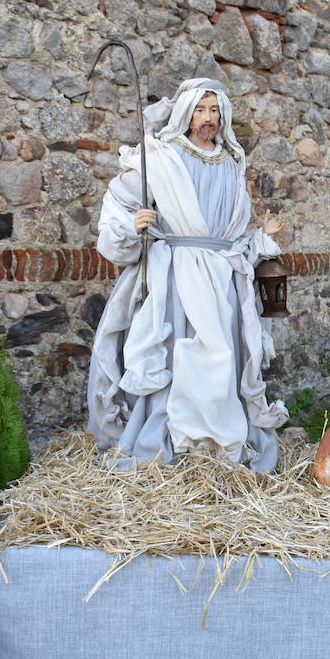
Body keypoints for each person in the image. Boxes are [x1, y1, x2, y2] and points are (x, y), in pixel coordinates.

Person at [87, 78, 288, 472]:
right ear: (186, 113)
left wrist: (261, 239)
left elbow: (230, 240)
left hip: (219, 281)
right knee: (177, 358)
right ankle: (169, 445)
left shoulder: (231, 163)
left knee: (221, 360)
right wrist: (134, 224)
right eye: (200, 110)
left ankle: (218, 443)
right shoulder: (161, 157)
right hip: (174, 276)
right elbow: (117, 214)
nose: (208, 119)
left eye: (214, 111)